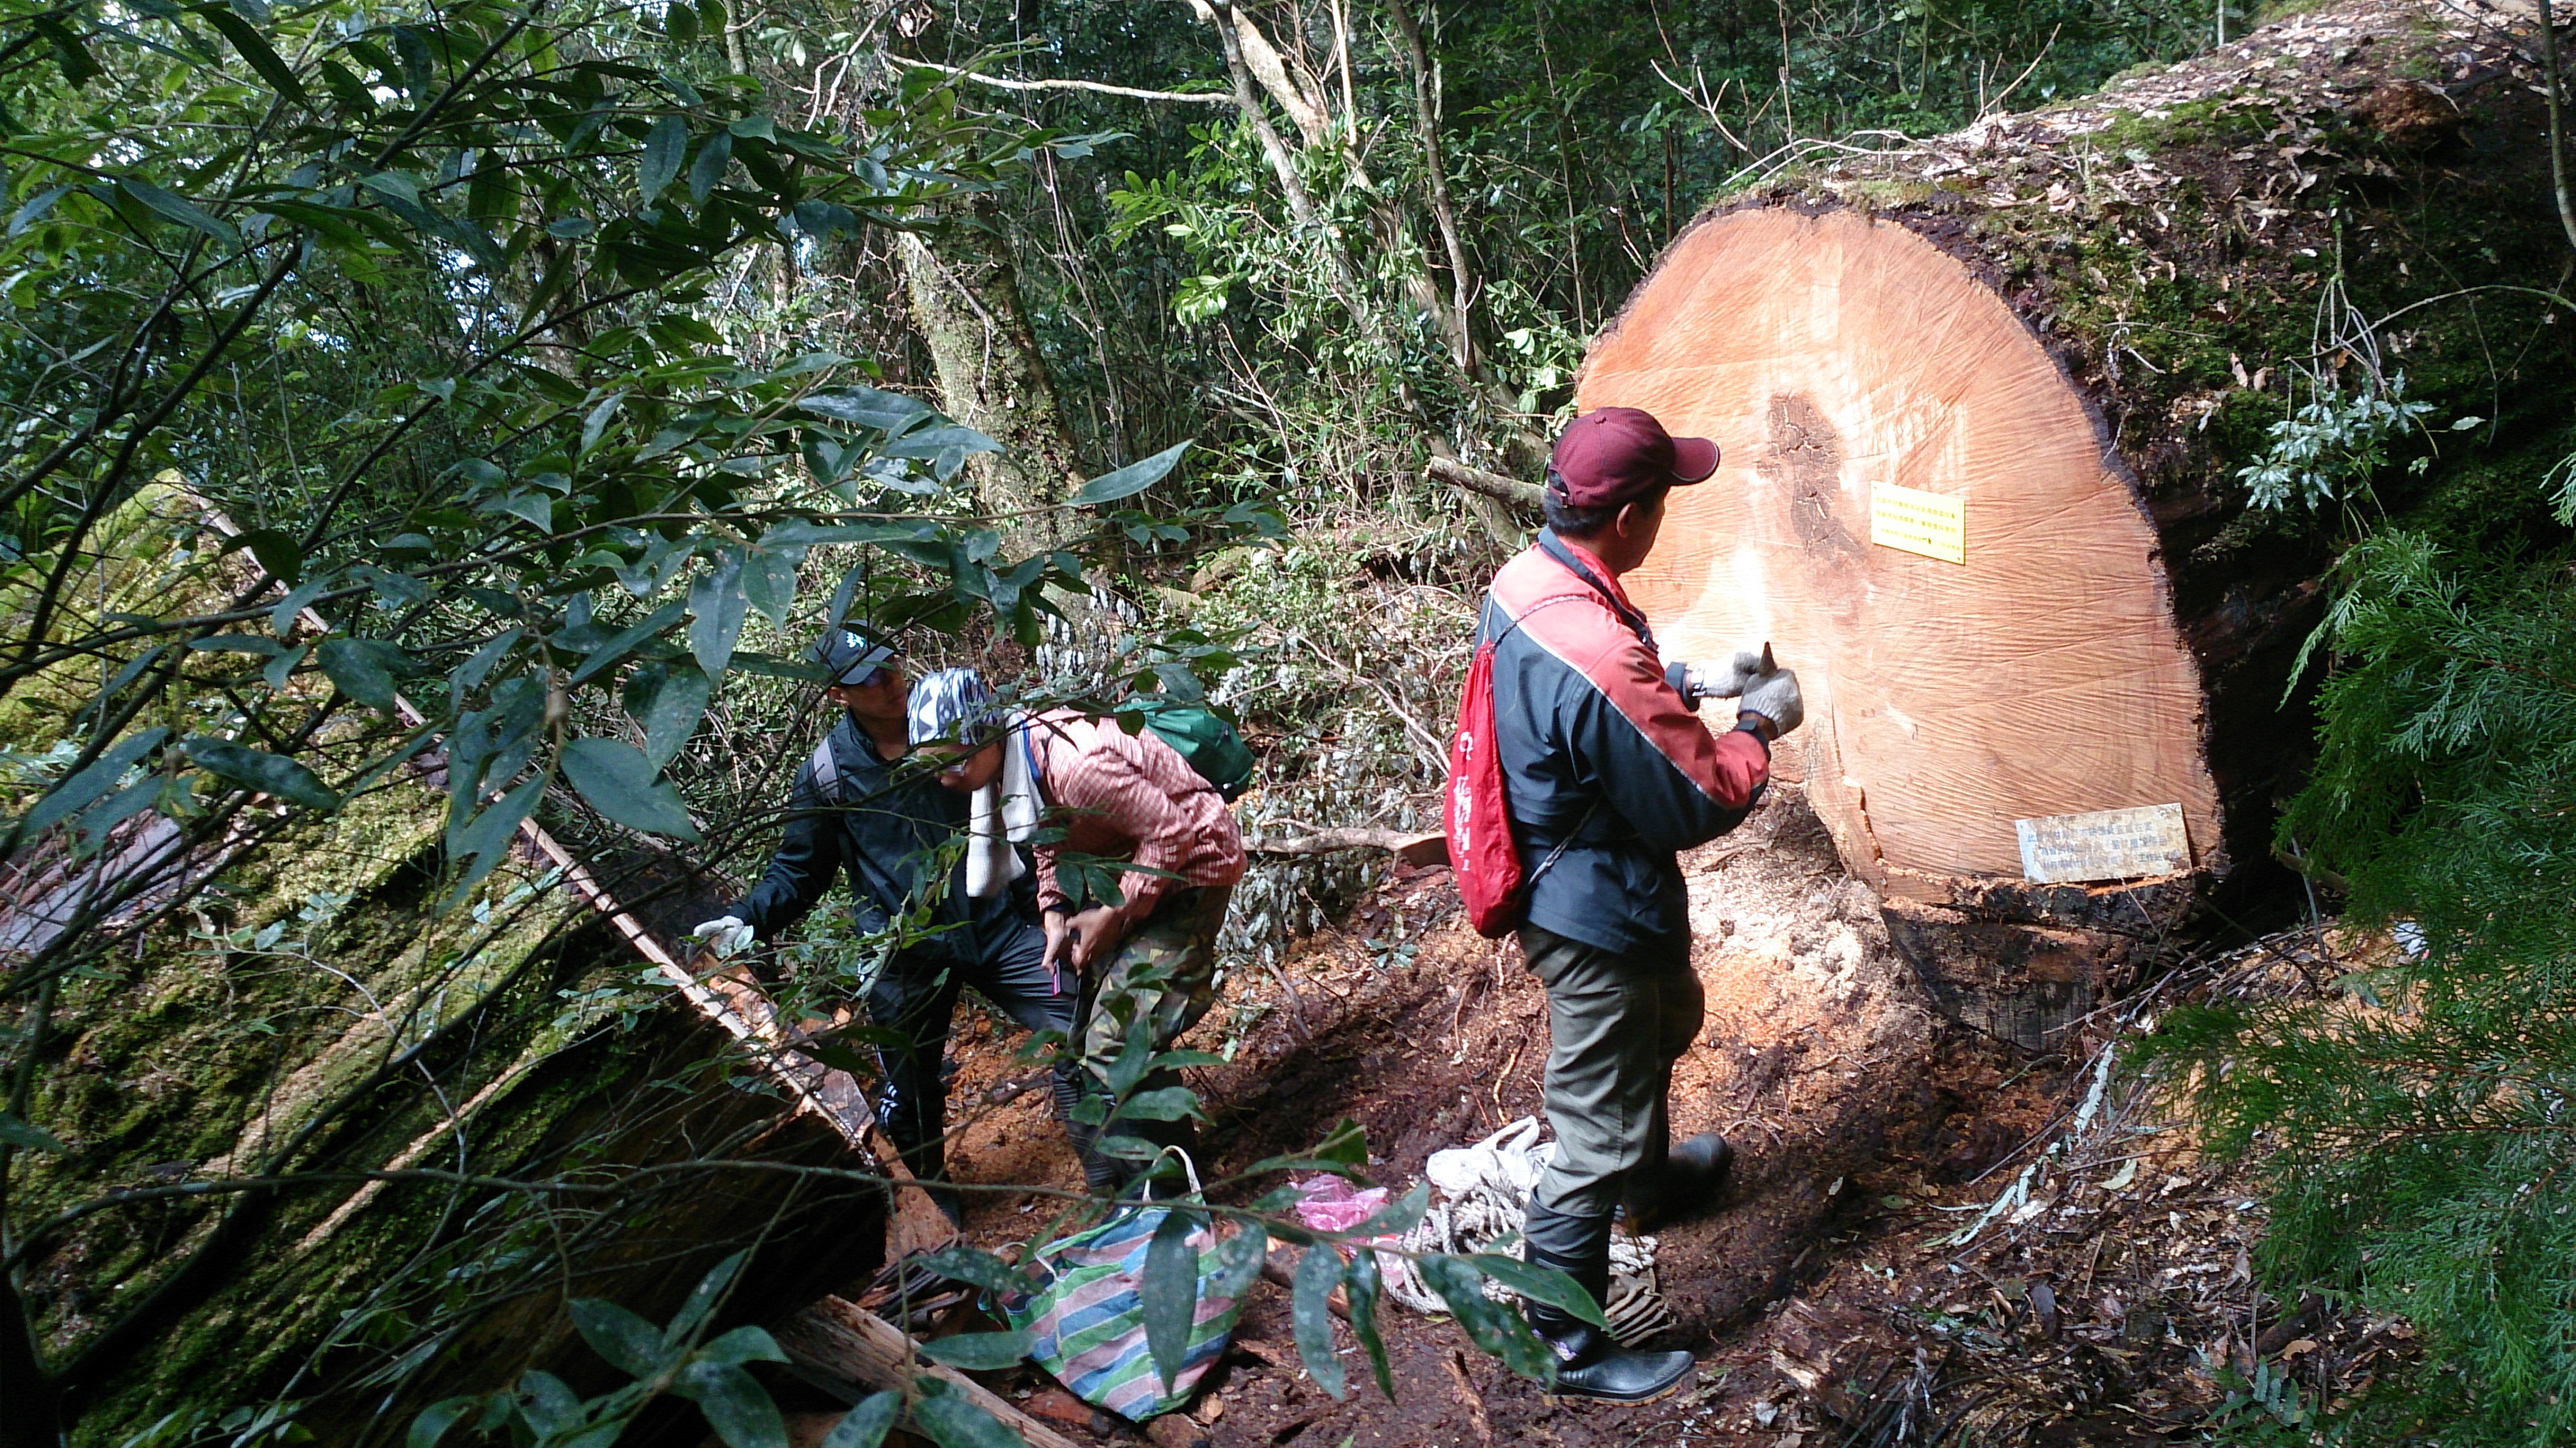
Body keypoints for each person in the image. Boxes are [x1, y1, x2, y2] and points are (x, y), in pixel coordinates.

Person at [1477, 406, 1805, 1402]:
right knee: (1588, 1131)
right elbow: (1695, 797)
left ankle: (1647, 1183)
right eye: (1664, 499)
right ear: (1627, 520)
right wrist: (1757, 722)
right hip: (1589, 907)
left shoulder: (1530, 578)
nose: (1667, 516)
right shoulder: (1591, 643)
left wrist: (1691, 680)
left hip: (1579, 873)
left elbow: (1586, 692)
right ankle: (1565, 1342)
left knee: (1668, 1018)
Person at [689, 626, 1082, 1226]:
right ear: (836, 694)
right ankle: (940, 1217)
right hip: (905, 947)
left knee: (1082, 1023)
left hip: (1000, 919)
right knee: (910, 1094)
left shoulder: (952, 720)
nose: (887, 682)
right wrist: (745, 920)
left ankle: (1134, 1156)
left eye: (889, 665)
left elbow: (1031, 783)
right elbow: (799, 871)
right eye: (866, 678)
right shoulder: (829, 776)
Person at [905, 667, 1247, 1198]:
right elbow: (1047, 838)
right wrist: (1054, 911)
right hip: (1128, 871)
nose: (944, 779)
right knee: (1086, 1045)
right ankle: (1137, 1189)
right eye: (933, 768)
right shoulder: (1016, 763)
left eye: (950, 762)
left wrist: (1112, 916)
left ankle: (1177, 1199)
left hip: (1192, 869)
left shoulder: (1076, 764)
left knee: (1119, 1042)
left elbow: (1171, 834)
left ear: (985, 736)